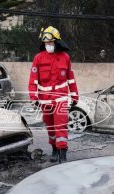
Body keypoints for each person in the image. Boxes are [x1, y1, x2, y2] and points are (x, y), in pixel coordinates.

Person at [28, 26, 79, 163]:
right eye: (46, 43)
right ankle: (54, 150)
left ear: (57, 42)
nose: (48, 46)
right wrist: (34, 98)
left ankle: (63, 152)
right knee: (50, 127)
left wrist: (74, 97)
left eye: (50, 43)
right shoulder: (38, 58)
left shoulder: (65, 58)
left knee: (60, 126)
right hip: (45, 101)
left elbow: (71, 79)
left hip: (61, 98)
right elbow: (33, 81)